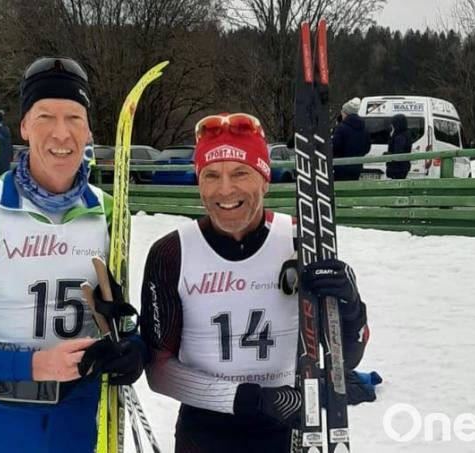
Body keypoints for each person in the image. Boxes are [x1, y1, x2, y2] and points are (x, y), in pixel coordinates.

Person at [0, 56, 145, 453]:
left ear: (89, 128)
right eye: (46, 116)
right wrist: (32, 366)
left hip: (84, 420)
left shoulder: (110, 212)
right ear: (24, 126)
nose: (62, 134)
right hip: (1, 422)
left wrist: (133, 349)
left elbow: (119, 322)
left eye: (74, 117)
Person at [139, 112, 374, 452]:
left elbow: (346, 358)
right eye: (211, 175)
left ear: (265, 179)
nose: (225, 189)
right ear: (199, 181)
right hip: (204, 435)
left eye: (240, 173)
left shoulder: (302, 240)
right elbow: (159, 370)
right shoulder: (171, 253)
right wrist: (248, 399)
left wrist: (350, 309)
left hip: (288, 431)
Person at [332, 97, 371, 181]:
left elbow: (335, 147)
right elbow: (367, 148)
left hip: (341, 167)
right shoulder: (364, 128)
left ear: (346, 113)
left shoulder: (341, 128)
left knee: (341, 190)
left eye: (342, 111)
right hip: (357, 166)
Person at [385, 113, 412, 180]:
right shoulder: (406, 133)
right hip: (404, 166)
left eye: (393, 124)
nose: (391, 126)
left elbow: (398, 153)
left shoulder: (400, 137)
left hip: (398, 167)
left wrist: (387, 154)